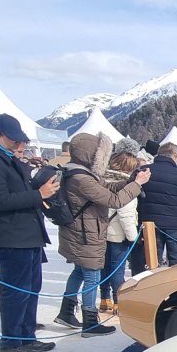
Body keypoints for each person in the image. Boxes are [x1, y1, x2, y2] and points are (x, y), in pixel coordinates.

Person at [0, 114, 57, 352]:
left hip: (26, 235)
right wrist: (38, 194)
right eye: (13, 139)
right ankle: (10, 343)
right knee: (16, 293)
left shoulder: (6, 158)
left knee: (30, 290)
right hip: (11, 237)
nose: (19, 144)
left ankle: (26, 337)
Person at [58, 133, 147, 335]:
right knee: (92, 275)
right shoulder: (81, 178)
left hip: (83, 231)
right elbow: (114, 200)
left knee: (79, 272)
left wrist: (130, 180)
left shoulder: (78, 172)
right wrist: (137, 184)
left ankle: (66, 312)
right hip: (86, 233)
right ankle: (90, 322)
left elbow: (107, 187)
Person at [133, 143, 177, 272]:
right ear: (174, 156)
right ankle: (174, 282)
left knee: (151, 260)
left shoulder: (143, 171)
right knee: (175, 261)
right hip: (173, 224)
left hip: (149, 222)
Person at [98, 151, 144, 314]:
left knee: (104, 268)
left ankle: (104, 299)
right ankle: (118, 301)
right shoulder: (125, 185)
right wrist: (134, 238)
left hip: (102, 231)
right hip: (118, 234)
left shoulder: (101, 181)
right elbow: (126, 214)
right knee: (117, 269)